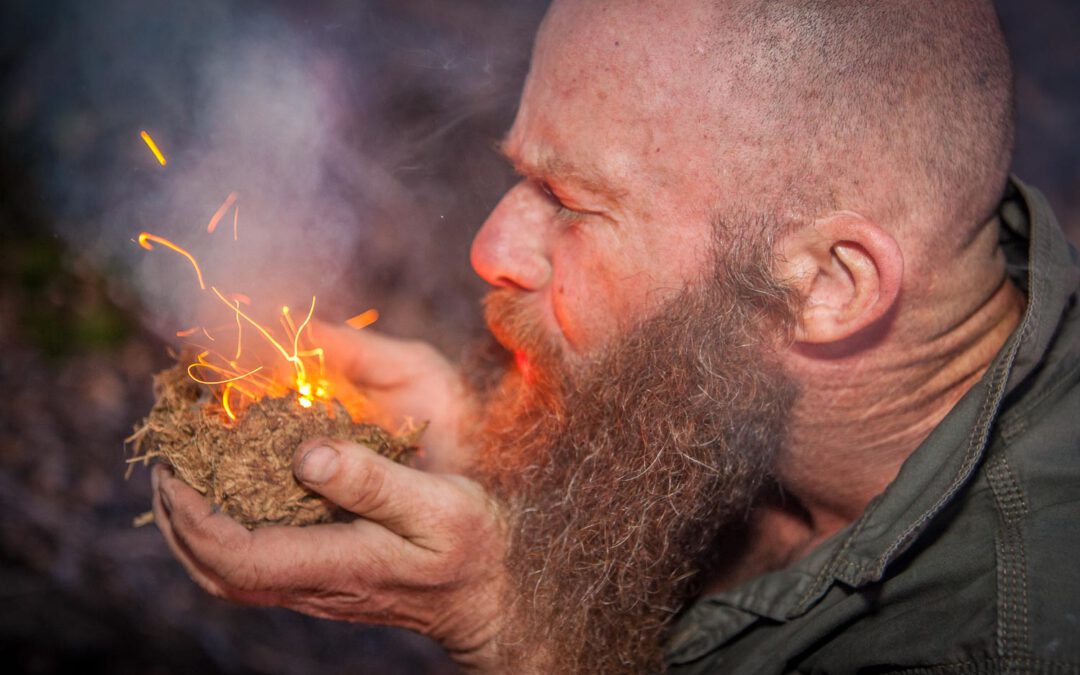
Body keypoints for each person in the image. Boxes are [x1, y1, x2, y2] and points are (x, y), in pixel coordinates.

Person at [150, 0, 1080, 672]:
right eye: (522, 178)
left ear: (830, 285)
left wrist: (518, 635)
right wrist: (490, 446)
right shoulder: (770, 385)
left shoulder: (1009, 636)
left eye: (570, 201)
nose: (489, 248)